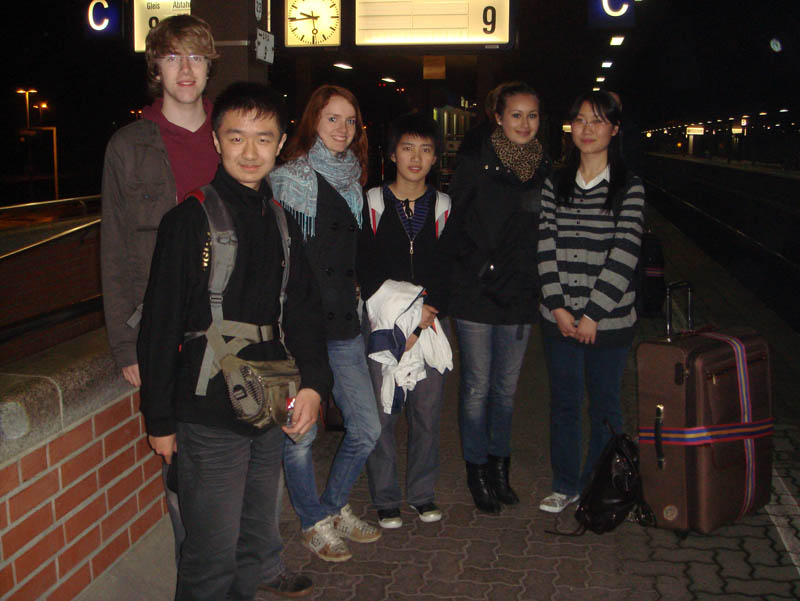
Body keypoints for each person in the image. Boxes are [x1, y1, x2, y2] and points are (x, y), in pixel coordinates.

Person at [137, 81, 331, 600]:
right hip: (208, 415)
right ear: (216, 141)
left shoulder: (282, 222)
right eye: (236, 137)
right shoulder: (189, 221)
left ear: (281, 142)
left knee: (252, 545)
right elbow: (159, 326)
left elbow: (305, 312)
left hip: (269, 405)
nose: (250, 152)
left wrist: (314, 385)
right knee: (210, 558)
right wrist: (160, 420)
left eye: (263, 139)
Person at [100, 14, 220, 561]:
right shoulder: (129, 146)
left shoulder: (232, 133)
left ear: (209, 65)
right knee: (180, 466)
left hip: (232, 322)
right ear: (157, 68)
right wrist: (128, 345)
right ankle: (196, 573)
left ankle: (254, 561)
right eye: (172, 57)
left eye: (195, 56)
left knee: (245, 447)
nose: (185, 69)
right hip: (165, 328)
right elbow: (114, 248)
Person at [270, 85, 382, 562]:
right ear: (313, 119)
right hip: (298, 328)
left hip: (344, 325)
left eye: (350, 120)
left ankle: (333, 506)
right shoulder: (284, 180)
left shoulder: (354, 182)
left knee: (367, 428)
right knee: (301, 434)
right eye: (332, 118)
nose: (342, 128)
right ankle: (312, 521)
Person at [537, 90, 645, 513]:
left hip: (609, 324)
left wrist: (593, 315)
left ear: (614, 129)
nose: (587, 129)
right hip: (559, 319)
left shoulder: (628, 187)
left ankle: (596, 486)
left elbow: (625, 252)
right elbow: (545, 245)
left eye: (598, 121)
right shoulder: (555, 183)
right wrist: (559, 308)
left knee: (605, 407)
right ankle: (565, 485)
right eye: (580, 120)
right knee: (564, 404)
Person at [448, 82, 551, 514]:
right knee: (477, 387)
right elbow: (454, 225)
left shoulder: (545, 167)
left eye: (532, 115)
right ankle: (476, 471)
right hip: (476, 294)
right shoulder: (475, 162)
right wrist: (474, 269)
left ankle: (499, 468)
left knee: (505, 391)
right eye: (516, 115)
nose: (524, 124)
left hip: (519, 296)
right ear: (498, 117)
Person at [357, 113, 456, 529]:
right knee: (383, 413)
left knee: (426, 413)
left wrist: (427, 313)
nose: (416, 158)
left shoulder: (444, 206)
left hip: (431, 322)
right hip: (383, 323)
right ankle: (385, 498)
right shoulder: (372, 203)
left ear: (435, 158)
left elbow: (451, 266)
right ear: (393, 154)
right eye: (408, 148)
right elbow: (364, 266)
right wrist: (402, 318)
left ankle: (421, 493)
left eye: (426, 150)